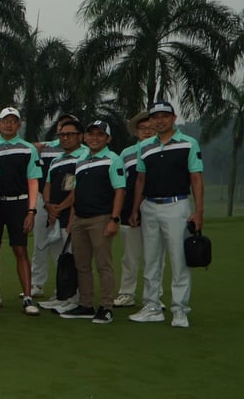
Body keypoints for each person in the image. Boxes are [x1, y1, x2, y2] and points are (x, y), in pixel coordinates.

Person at [129, 102, 203, 328]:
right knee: (151, 259)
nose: (159, 120)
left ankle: (179, 309)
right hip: (150, 206)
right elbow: (140, 179)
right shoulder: (145, 147)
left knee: (178, 259)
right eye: (155, 117)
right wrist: (135, 209)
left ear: (173, 118)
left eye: (164, 116)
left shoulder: (188, 143)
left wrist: (199, 211)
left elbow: (196, 178)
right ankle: (152, 306)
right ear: (150, 120)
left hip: (177, 205)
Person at [57, 121, 126, 323]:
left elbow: (120, 191)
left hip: (101, 218)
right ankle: (86, 305)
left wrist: (114, 219)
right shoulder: (79, 160)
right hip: (80, 219)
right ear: (85, 137)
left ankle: (106, 307)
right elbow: (73, 191)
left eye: (100, 135)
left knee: (103, 264)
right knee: (82, 264)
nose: (94, 138)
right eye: (91, 134)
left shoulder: (113, 159)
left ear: (108, 139)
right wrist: (71, 219)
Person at [0, 108, 42, 315]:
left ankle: (27, 297)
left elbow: (33, 181)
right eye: (5, 121)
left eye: (13, 121)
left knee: (20, 250)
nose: (8, 124)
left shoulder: (28, 149)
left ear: (19, 125)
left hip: (19, 204)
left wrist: (31, 211)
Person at [31, 114, 81, 298]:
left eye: (69, 130)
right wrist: (49, 205)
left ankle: (67, 289)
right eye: (61, 127)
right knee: (41, 243)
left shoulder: (83, 153)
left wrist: (59, 207)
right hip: (45, 203)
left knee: (66, 248)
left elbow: (71, 186)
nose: (64, 134)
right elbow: (46, 182)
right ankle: (37, 283)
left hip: (69, 207)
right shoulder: (48, 149)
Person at [115, 111, 155, 308]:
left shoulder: (160, 149)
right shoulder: (126, 153)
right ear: (136, 131)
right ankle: (127, 293)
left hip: (155, 208)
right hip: (130, 211)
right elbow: (121, 185)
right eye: (142, 128)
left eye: (150, 128)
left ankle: (153, 296)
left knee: (154, 257)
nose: (146, 132)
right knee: (130, 257)